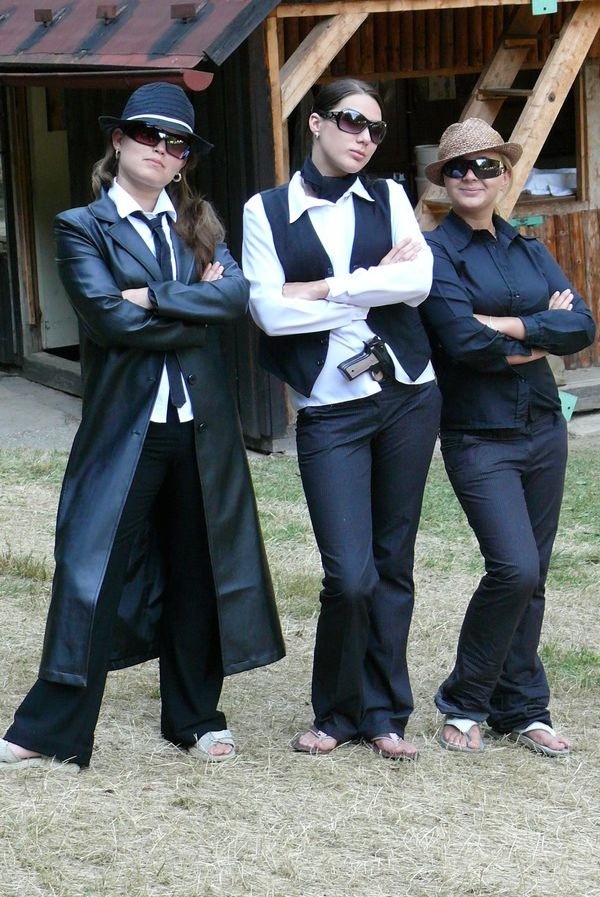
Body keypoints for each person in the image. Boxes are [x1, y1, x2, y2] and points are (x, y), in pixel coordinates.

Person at [0, 82, 284, 772]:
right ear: (119, 140)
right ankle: (51, 726)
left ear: (185, 160)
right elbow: (109, 319)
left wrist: (154, 296)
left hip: (201, 428)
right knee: (89, 568)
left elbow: (235, 296)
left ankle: (195, 717)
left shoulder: (200, 225)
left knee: (199, 568)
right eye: (148, 135)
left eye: (176, 143)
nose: (162, 149)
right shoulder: (82, 226)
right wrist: (194, 308)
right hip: (126, 427)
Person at [242, 78, 441, 760]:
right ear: (317, 123)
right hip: (330, 409)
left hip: (408, 394)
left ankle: (384, 714)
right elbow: (269, 313)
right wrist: (370, 286)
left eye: (376, 129)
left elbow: (417, 283)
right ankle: (335, 710)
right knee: (349, 575)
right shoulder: (266, 210)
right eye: (352, 121)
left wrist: (325, 289)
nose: (364, 137)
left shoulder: (389, 196)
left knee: (393, 562)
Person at [420, 118, 596, 756]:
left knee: (535, 575)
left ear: (504, 175)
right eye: (459, 168)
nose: (473, 176)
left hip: (544, 428)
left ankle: (523, 708)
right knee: (514, 568)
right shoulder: (434, 253)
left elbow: (582, 326)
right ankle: (465, 700)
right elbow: (461, 341)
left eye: (486, 166)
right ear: (444, 181)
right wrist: (538, 325)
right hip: (479, 435)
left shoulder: (529, 246)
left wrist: (505, 325)